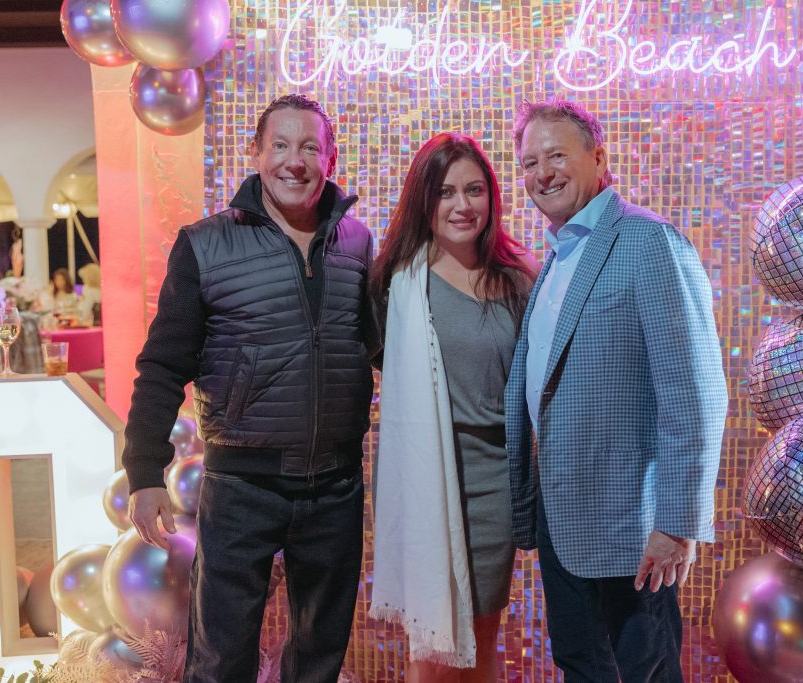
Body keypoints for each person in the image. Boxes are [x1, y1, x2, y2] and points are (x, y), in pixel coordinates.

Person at [123, 94, 378, 683]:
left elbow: (381, 346)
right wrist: (144, 471)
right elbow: (162, 365)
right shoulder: (204, 244)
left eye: (310, 147)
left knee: (319, 660)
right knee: (221, 660)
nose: (295, 160)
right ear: (256, 152)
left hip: (335, 486)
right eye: (280, 145)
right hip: (241, 487)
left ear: (330, 158)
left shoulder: (358, 243)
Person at [505, 100, 727, 682]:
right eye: (529, 163)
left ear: (598, 158)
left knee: (645, 671)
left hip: (632, 527)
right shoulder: (557, 258)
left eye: (557, 156)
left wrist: (676, 523)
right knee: (581, 666)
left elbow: (695, 395)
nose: (542, 173)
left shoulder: (649, 242)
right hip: (562, 518)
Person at [369, 133, 537, 682]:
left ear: (492, 196)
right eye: (445, 192)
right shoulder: (396, 283)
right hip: (423, 481)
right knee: (431, 652)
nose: (462, 205)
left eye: (474, 190)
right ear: (425, 200)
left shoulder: (519, 280)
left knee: (483, 637)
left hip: (494, 485)